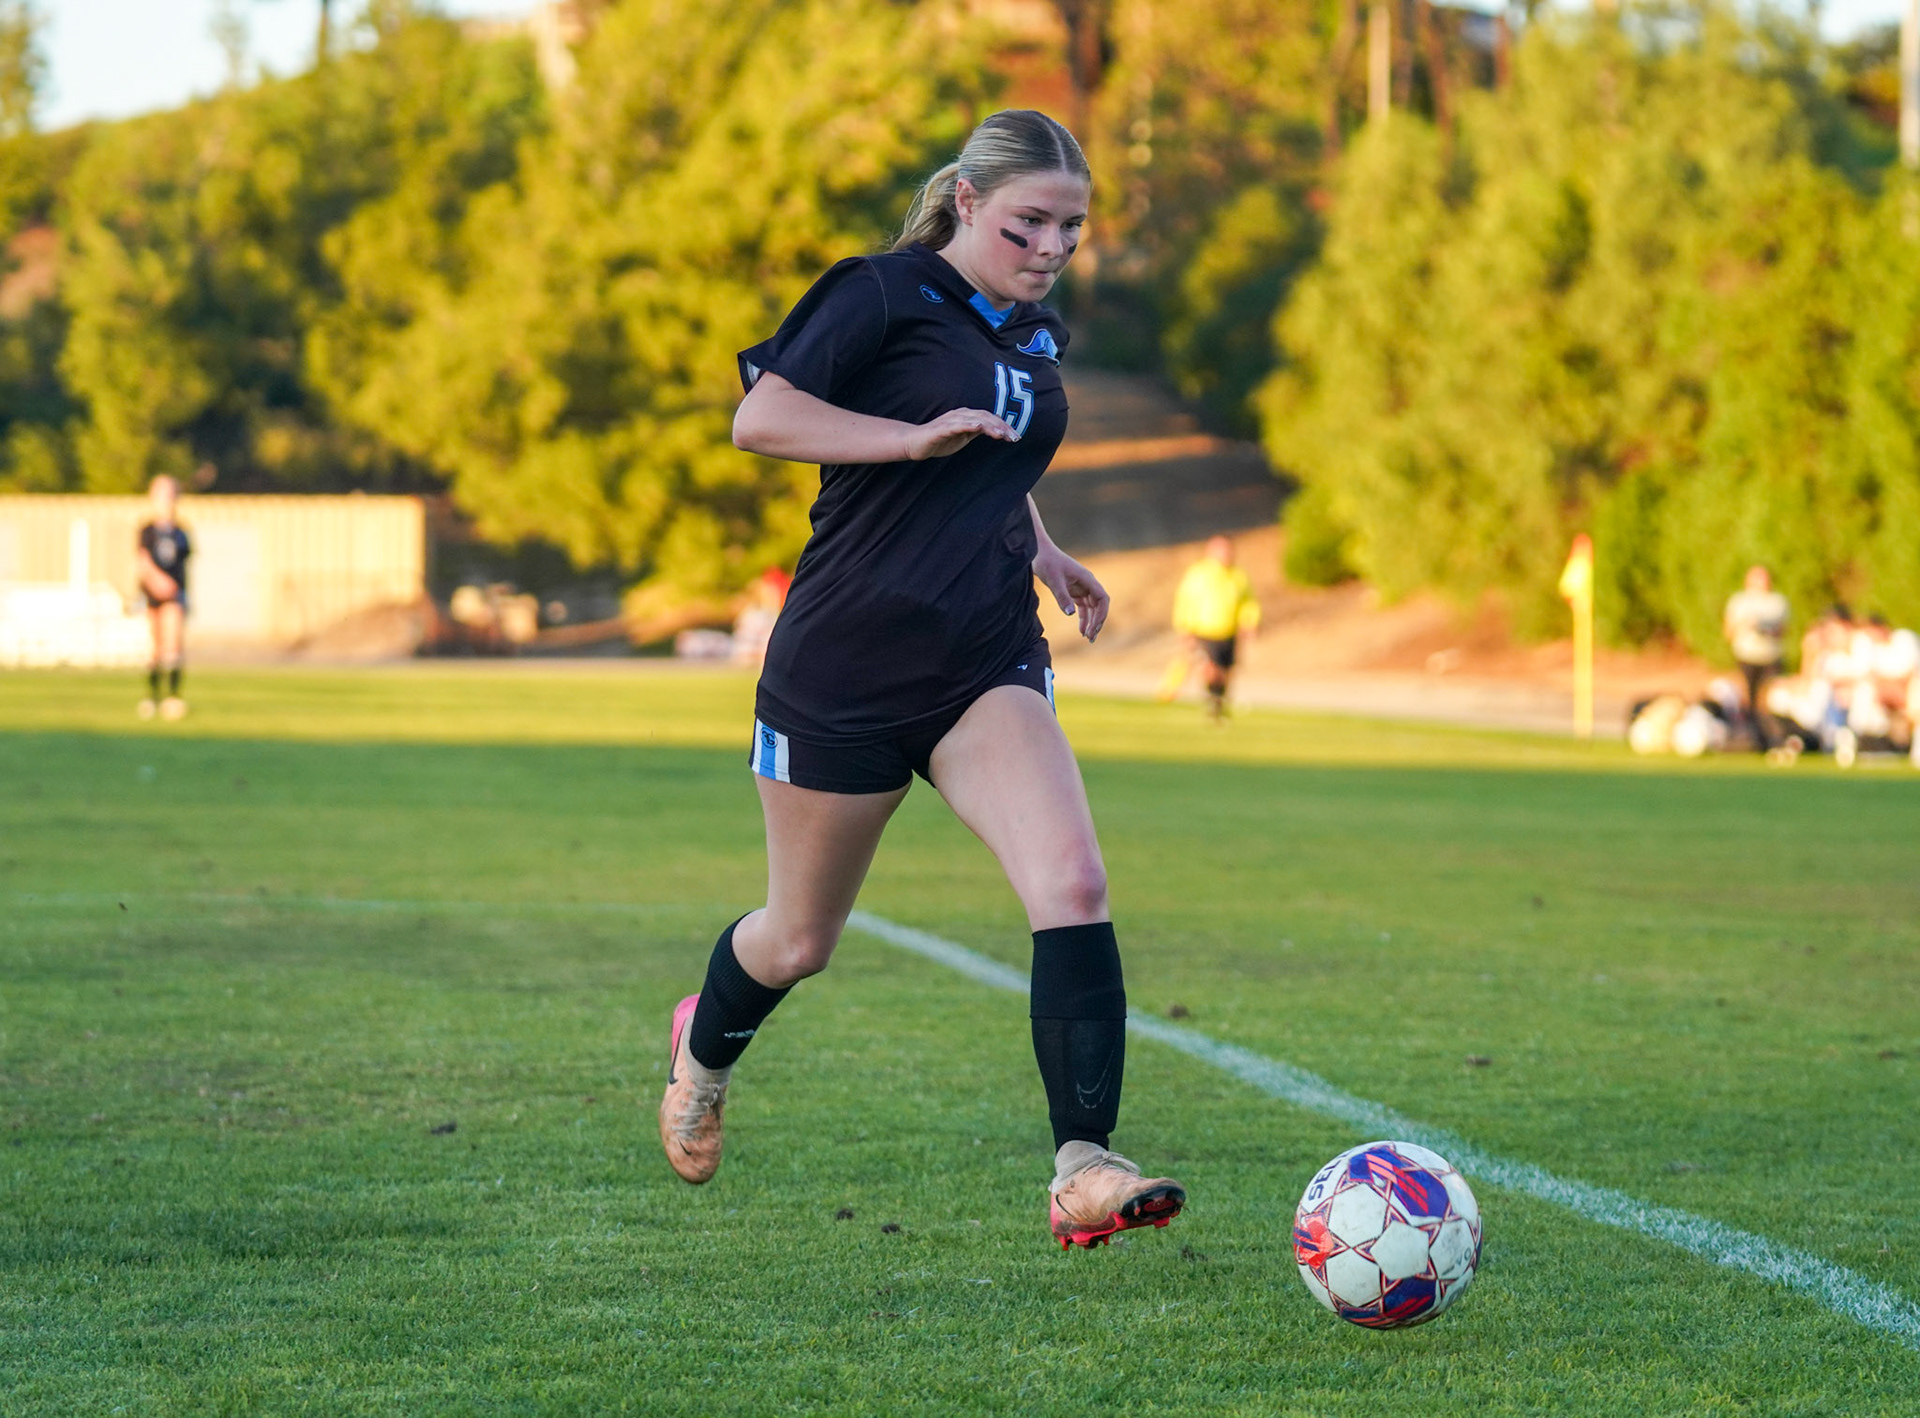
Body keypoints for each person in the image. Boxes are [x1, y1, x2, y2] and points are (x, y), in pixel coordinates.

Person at [656, 109, 1186, 1250]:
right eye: (1028, 222)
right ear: (965, 204)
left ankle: (1084, 1163)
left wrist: (1039, 546)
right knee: (798, 940)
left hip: (981, 656)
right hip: (841, 670)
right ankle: (703, 1053)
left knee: (1074, 882)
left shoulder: (1033, 333)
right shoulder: (880, 294)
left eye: (1072, 228)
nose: (1051, 247)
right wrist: (904, 440)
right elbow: (761, 416)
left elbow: (990, 450)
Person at [1170, 535, 1261, 721]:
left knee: (1226, 671)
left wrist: (1249, 622)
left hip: (1228, 631)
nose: (1226, 555)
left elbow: (1248, 602)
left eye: (1229, 550)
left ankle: (1219, 702)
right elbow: (1185, 601)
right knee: (1211, 669)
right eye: (1221, 550)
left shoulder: (1238, 575)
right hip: (1204, 629)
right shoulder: (1198, 574)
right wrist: (1184, 627)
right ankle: (1213, 700)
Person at [135, 475, 191, 721]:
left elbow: (183, 566)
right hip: (152, 593)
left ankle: (173, 697)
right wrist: (157, 581)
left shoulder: (181, 532)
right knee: (155, 647)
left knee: (173, 645)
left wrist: (176, 589)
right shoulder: (147, 531)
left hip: (174, 595)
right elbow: (143, 562)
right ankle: (152, 696)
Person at [1722, 565, 1788, 750]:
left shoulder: (1776, 602)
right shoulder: (1739, 601)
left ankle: (1773, 737)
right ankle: (1751, 738)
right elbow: (1728, 630)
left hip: (1770, 656)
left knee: (1769, 699)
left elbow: (1782, 630)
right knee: (1747, 700)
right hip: (1747, 655)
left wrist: (1764, 628)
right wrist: (1744, 625)